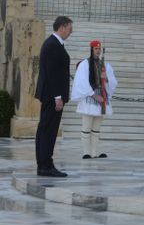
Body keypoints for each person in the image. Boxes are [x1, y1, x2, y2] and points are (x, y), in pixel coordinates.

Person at [35, 16, 73, 177]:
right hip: (52, 96)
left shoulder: (55, 44)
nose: (71, 32)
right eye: (70, 28)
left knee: (48, 130)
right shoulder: (52, 45)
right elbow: (51, 74)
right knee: (47, 131)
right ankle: (44, 166)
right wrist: (58, 97)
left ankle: (46, 164)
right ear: (62, 27)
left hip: (52, 95)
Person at [71, 40, 117, 159]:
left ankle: (94, 153)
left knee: (96, 128)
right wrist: (93, 95)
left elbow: (113, 82)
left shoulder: (105, 66)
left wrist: (106, 78)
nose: (98, 51)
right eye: (96, 49)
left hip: (102, 97)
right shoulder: (85, 64)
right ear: (91, 50)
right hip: (90, 98)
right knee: (86, 127)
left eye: (99, 49)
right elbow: (81, 82)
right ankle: (86, 152)